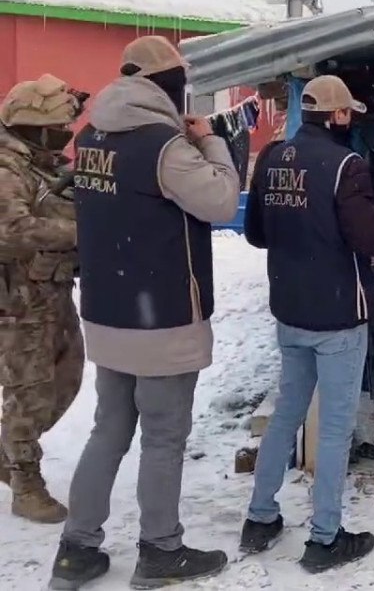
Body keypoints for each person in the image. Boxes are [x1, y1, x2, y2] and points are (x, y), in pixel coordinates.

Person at [52, 35, 240, 589]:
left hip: (109, 312)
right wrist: (212, 144)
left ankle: (76, 551)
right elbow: (221, 201)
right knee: (163, 437)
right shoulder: (164, 146)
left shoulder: (91, 136)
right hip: (161, 318)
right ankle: (160, 551)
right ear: (166, 85)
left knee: (108, 429)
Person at [239, 75, 374, 573]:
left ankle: (260, 518)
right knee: (335, 428)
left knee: (287, 413)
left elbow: (256, 233)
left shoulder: (271, 157)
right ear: (339, 115)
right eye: (350, 113)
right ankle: (325, 538)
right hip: (339, 314)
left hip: (291, 308)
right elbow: (369, 238)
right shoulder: (347, 165)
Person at [0, 75, 87, 525]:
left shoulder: (39, 164)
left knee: (67, 378)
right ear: (33, 128)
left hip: (53, 289)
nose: (65, 135)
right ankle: (26, 483)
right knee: (28, 390)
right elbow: (10, 231)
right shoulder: (7, 168)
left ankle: (8, 449)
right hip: (20, 300)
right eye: (57, 129)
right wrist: (80, 232)